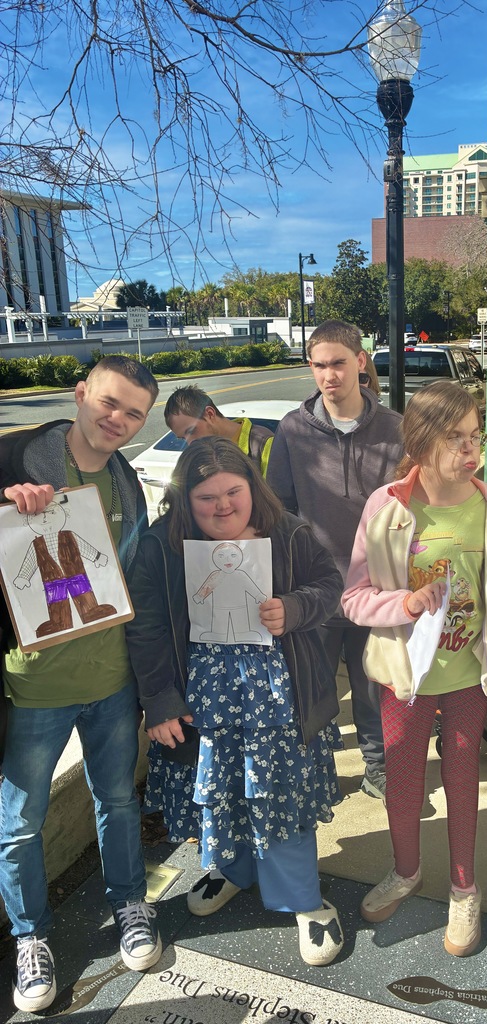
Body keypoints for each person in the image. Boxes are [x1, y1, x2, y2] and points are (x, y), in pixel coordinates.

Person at [125, 436, 345, 966]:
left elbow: (330, 584)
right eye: (205, 497)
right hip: (203, 699)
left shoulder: (288, 532)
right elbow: (148, 627)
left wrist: (294, 608)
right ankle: (232, 868)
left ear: (252, 487)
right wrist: (158, 698)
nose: (222, 506)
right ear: (184, 499)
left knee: (276, 790)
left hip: (275, 694)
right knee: (221, 788)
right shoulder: (161, 546)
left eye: (233, 491)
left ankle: (301, 898)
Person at [341, 381, 487, 957]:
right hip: (406, 676)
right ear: (422, 442)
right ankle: (405, 870)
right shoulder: (387, 507)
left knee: (464, 779)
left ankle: (464, 888)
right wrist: (406, 604)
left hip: (471, 675)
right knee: (400, 779)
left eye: (477, 436)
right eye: (457, 438)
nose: (472, 450)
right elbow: (353, 598)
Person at [0, 355, 163, 1013]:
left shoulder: (129, 487)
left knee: (119, 801)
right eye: (109, 403)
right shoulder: (15, 461)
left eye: (133, 413)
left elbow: (140, 587)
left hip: (111, 680)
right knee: (18, 825)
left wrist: (155, 684)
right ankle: (30, 936)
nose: (117, 420)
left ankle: (129, 902)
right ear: (80, 394)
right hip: (33, 685)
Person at [267, 319, 403, 802]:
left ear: (361, 361)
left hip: (378, 585)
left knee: (373, 684)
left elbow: (410, 505)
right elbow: (278, 509)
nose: (330, 375)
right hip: (316, 589)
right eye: (320, 365)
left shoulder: (394, 428)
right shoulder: (291, 430)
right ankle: (318, 773)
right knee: (316, 688)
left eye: (339, 363)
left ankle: (377, 768)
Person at [164, 384, 273, 476]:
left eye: (192, 431)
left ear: (210, 414)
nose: (190, 443)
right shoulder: (201, 456)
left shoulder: (264, 444)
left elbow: (277, 498)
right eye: (183, 438)